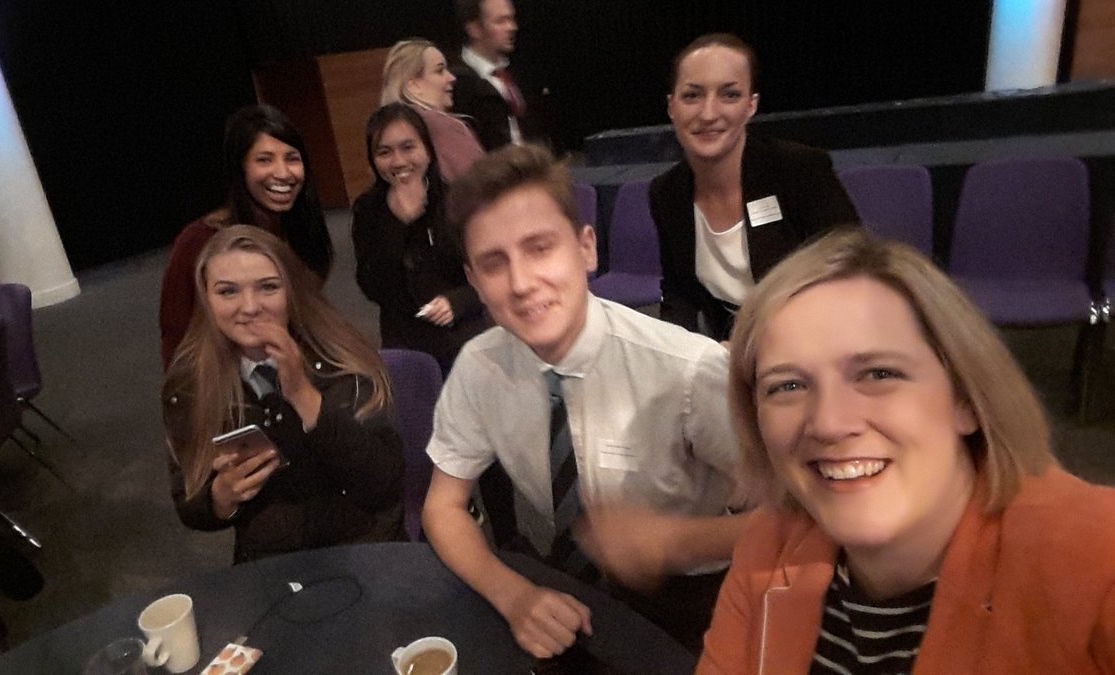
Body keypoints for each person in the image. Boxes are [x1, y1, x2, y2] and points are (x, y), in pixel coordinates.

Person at [699, 228, 1115, 673]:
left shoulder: (1097, 559)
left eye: (878, 374)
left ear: (966, 399)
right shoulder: (770, 545)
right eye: (788, 386)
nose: (829, 423)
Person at [421, 144, 748, 657]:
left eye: (540, 248)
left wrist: (672, 542)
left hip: (698, 595)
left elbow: (800, 519)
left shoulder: (688, 371)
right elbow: (443, 506)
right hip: (574, 584)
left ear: (586, 248)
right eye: (494, 263)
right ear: (474, 282)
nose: (521, 283)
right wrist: (513, 596)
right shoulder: (479, 367)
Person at [162, 225, 404, 563]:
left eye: (268, 287)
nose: (249, 307)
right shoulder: (190, 382)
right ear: (206, 299)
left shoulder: (342, 360)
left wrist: (304, 396)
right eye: (228, 292)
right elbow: (187, 501)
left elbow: (383, 484)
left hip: (362, 546)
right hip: (273, 560)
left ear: (291, 291)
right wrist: (220, 497)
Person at [651, 33, 857, 342]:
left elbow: (852, 271)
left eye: (730, 95)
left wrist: (756, 343)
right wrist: (678, 351)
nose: (708, 113)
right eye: (692, 96)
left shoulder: (798, 170)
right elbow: (680, 293)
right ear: (672, 107)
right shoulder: (666, 193)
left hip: (817, 336)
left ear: (751, 105)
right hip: (728, 347)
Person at [159, 104, 333, 368]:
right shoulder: (200, 240)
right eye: (264, 160)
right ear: (241, 169)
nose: (283, 173)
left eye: (292, 158)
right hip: (229, 380)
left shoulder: (300, 229)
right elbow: (176, 337)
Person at [351, 104, 489, 374]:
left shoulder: (457, 200)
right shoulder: (368, 209)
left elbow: (488, 273)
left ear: (427, 149)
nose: (398, 161)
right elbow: (372, 287)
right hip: (406, 340)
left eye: (408, 147)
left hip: (464, 334)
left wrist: (457, 302)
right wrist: (398, 225)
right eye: (384, 152)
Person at [380, 39, 485, 183]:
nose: (452, 77)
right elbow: (482, 184)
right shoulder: (443, 126)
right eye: (439, 70)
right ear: (414, 85)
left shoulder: (384, 130)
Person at [450, 0, 543, 151]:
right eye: (500, 21)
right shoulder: (456, 82)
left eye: (511, 19)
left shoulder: (518, 72)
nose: (512, 27)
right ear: (474, 29)